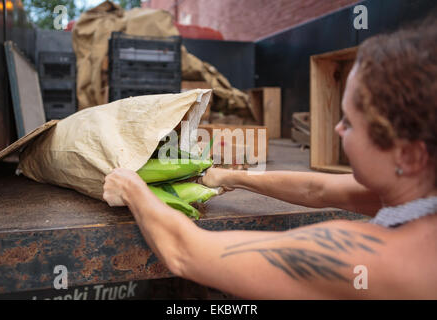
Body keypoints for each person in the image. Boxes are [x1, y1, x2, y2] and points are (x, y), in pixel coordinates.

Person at [103, 20, 437, 299]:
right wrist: (229, 177)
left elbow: (186, 253)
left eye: (348, 122)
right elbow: (317, 189)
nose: (336, 128)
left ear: (408, 155)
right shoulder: (420, 195)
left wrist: (131, 187)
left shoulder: (369, 258)